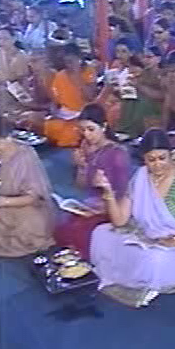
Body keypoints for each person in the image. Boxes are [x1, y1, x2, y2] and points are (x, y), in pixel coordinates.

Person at [90, 129, 175, 308]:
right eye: (151, 160)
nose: (157, 165)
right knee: (101, 234)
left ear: (170, 155)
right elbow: (120, 221)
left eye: (162, 158)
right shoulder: (140, 176)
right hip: (147, 235)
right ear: (144, 159)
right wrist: (108, 192)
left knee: (154, 260)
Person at [53, 104, 131, 259]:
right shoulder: (85, 146)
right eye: (82, 130)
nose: (86, 135)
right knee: (61, 228)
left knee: (80, 234)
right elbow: (80, 186)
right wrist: (81, 167)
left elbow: (124, 194)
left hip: (112, 209)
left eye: (91, 129)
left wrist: (101, 208)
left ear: (103, 126)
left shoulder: (117, 154)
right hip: (90, 204)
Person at [0, 114, 55, 258]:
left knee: (31, 228)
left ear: (9, 138)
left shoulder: (25, 155)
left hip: (20, 206)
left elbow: (33, 197)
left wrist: (1, 202)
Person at [39, 43, 98, 148]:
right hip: (65, 115)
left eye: (71, 61)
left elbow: (90, 97)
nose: (69, 65)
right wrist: (54, 110)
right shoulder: (60, 75)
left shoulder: (89, 71)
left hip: (83, 114)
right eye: (66, 62)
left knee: (73, 132)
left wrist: (77, 76)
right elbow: (55, 101)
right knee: (48, 125)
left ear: (79, 59)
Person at [116, 46, 165, 138]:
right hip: (139, 103)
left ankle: (131, 132)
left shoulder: (162, 74)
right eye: (144, 57)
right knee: (128, 98)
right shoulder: (143, 73)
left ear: (158, 59)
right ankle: (124, 131)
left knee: (141, 101)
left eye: (149, 57)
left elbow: (161, 95)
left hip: (156, 106)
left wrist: (139, 86)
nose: (146, 60)